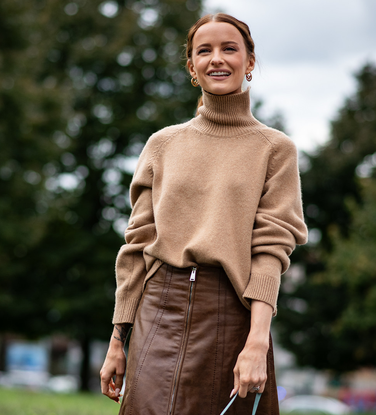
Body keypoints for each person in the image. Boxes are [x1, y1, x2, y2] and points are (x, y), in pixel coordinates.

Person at [100, 13, 308, 415]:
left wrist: (257, 342)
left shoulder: (275, 149)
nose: (217, 58)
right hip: (157, 312)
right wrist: (117, 340)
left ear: (249, 62)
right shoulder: (163, 144)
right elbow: (137, 245)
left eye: (229, 48)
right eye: (204, 51)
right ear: (192, 67)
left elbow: (271, 251)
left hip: (232, 318)